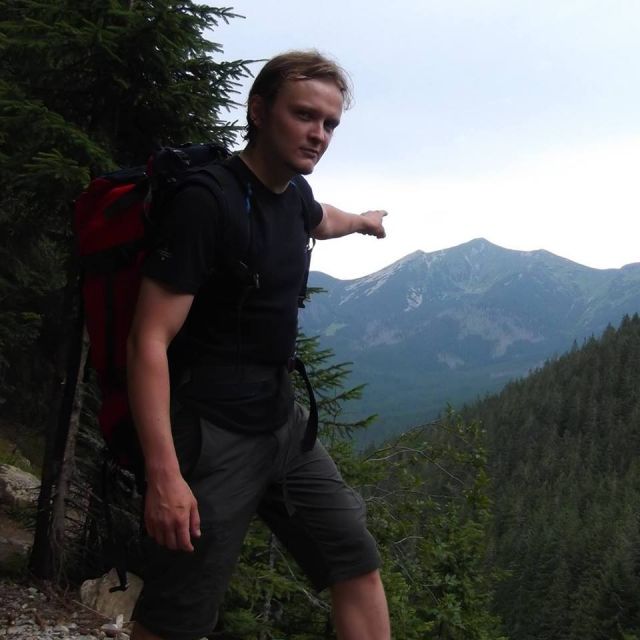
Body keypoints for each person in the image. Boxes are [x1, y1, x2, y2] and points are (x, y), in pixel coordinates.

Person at [127, 50, 391, 640]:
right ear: (259, 110)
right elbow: (148, 339)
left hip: (283, 425)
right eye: (304, 115)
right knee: (176, 619)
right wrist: (165, 477)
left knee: (355, 563)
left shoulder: (292, 194)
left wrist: (363, 220)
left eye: (330, 123)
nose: (319, 134)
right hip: (212, 434)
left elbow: (321, 218)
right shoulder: (208, 200)